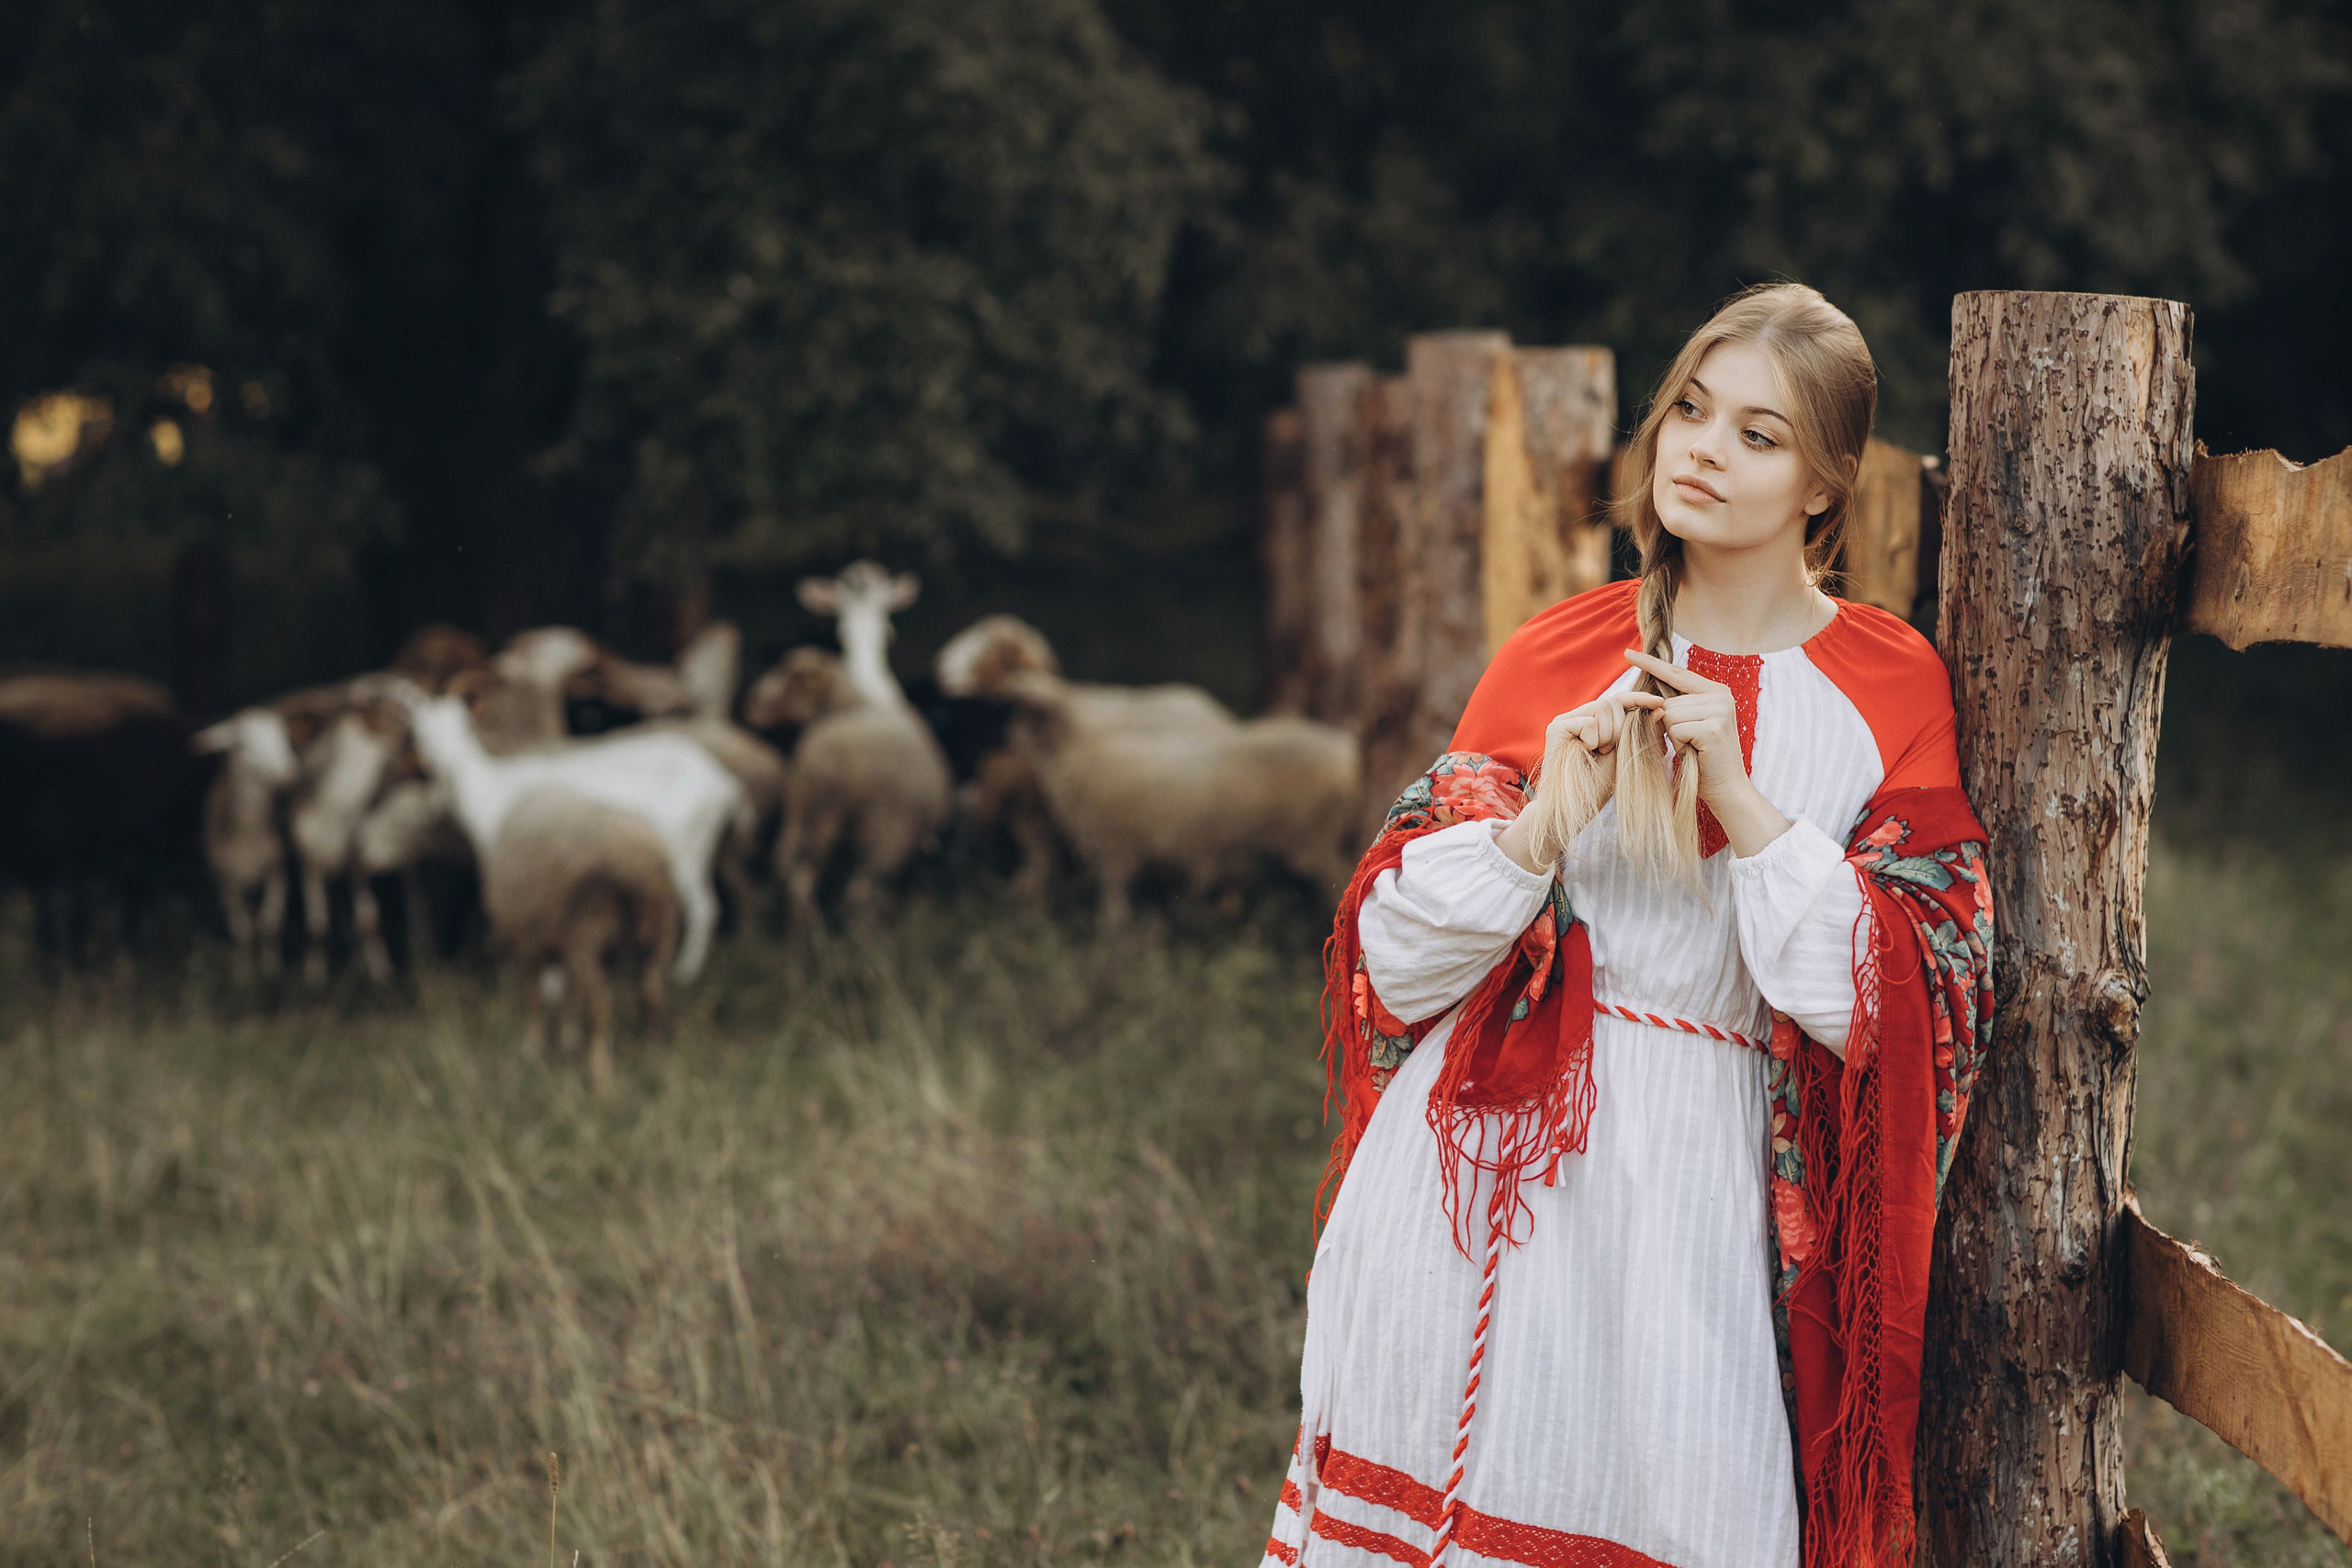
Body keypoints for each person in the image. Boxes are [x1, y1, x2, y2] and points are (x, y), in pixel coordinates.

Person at [1258, 284, 1996, 1568]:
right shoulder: (1562, 651)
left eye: (1760, 437)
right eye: (1693, 412)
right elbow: (1389, 958)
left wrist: (1745, 804)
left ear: (1827, 488)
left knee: (1692, 1514)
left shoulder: (1890, 683)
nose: (1704, 450)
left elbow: (1918, 999)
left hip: (1708, 1191)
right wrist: (1543, 823)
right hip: (1489, 1177)